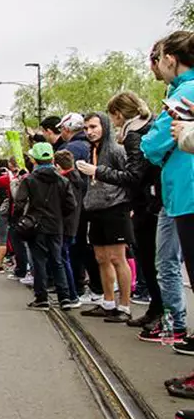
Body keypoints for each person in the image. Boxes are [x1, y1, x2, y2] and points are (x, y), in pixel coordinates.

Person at [142, 31, 194, 360]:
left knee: (174, 265)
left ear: (170, 59)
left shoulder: (184, 93)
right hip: (182, 192)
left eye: (159, 59)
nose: (158, 66)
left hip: (187, 192)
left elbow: (152, 144)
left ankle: (177, 326)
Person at [101, 92, 168, 335]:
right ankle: (156, 308)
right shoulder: (149, 126)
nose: (114, 122)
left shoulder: (132, 135)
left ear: (118, 114)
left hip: (145, 205)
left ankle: (161, 313)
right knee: (154, 261)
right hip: (156, 199)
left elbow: (133, 175)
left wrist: (98, 171)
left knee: (150, 261)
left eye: (113, 117)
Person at [75, 112, 134, 322]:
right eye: (86, 128)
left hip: (115, 208)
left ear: (105, 127)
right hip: (95, 209)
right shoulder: (92, 150)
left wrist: (97, 171)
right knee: (101, 258)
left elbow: (129, 177)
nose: (89, 132)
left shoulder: (117, 150)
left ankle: (125, 306)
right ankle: (108, 302)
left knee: (118, 258)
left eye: (93, 127)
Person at [17, 142, 80, 310]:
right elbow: (71, 205)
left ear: (34, 160)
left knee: (39, 262)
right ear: (52, 158)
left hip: (35, 225)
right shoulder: (62, 180)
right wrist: (59, 216)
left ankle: (42, 298)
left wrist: (21, 219)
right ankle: (65, 298)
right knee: (57, 261)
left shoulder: (29, 180)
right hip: (56, 225)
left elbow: (19, 203)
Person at [55, 150, 86, 303]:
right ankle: (71, 292)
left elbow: (68, 205)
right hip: (73, 224)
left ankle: (71, 294)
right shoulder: (77, 179)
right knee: (67, 257)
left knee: (62, 258)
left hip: (65, 225)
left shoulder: (65, 181)